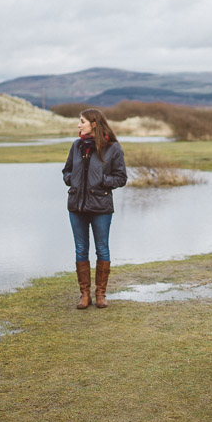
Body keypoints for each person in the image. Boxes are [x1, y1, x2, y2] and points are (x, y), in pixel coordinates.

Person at [62, 108, 128, 309]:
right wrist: (71, 179)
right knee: (81, 249)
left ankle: (100, 294)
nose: (79, 125)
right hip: (76, 206)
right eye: (79, 121)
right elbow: (67, 170)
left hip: (101, 206)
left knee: (102, 249)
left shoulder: (113, 148)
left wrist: (102, 181)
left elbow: (121, 177)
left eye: (82, 121)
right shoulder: (77, 145)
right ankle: (84, 295)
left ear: (94, 123)